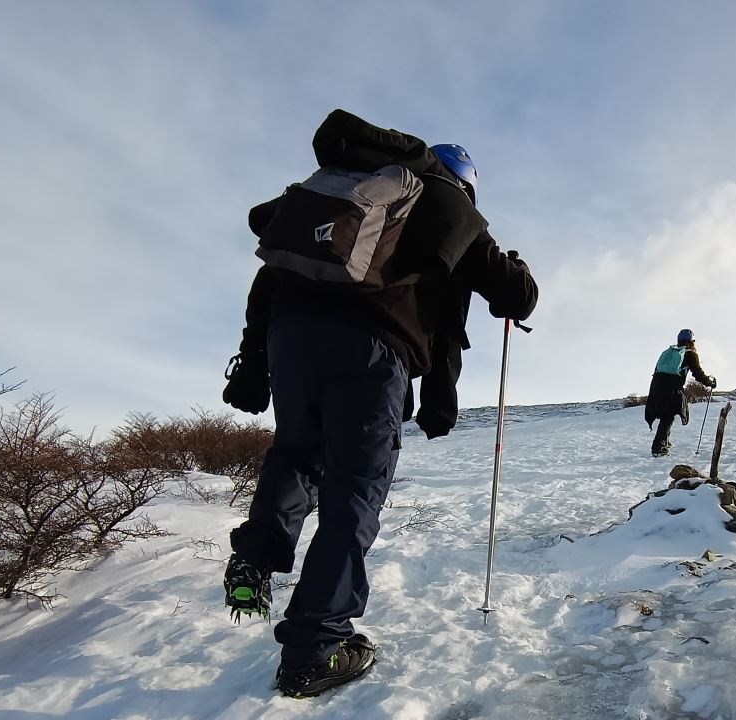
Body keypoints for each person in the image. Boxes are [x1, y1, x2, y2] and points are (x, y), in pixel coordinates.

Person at [220, 110, 538, 698]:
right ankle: (315, 649)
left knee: (296, 454)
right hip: (369, 353)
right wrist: (515, 270)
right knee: (354, 493)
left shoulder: (344, 196)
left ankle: (258, 554)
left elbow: (269, 280)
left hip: (289, 341)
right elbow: (509, 296)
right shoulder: (447, 204)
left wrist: (253, 364)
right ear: (464, 180)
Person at [644, 329, 716, 456]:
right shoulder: (690, 354)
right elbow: (698, 374)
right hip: (671, 388)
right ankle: (658, 447)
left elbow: (656, 370)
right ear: (692, 341)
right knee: (668, 415)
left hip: (656, 386)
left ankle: (663, 440)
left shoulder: (669, 353)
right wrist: (709, 382)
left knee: (665, 414)